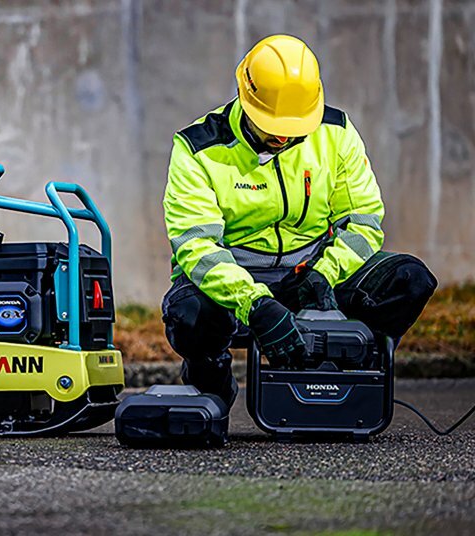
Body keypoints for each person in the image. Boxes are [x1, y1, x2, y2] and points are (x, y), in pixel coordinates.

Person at [161, 34, 437, 408]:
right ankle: (210, 379)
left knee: (409, 279)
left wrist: (325, 274)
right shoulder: (198, 149)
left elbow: (363, 221)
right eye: (272, 125)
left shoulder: (336, 134)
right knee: (190, 314)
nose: (282, 135)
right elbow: (197, 248)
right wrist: (254, 304)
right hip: (234, 281)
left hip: (311, 275)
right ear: (245, 95)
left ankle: (351, 375)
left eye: (293, 127)